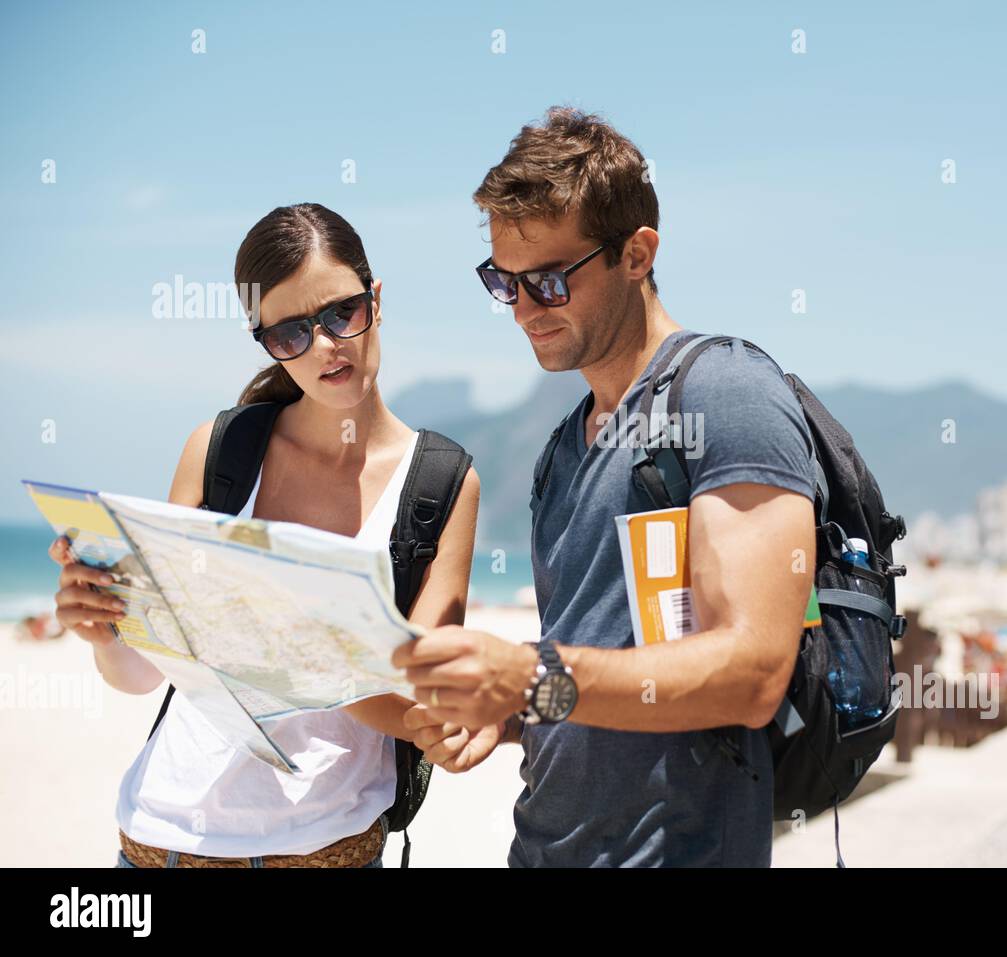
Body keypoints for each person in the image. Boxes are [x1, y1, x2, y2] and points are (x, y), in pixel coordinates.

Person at [396, 108, 818, 867]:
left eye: (551, 280)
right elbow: (595, 684)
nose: (524, 308)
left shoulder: (725, 393)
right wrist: (506, 711)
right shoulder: (560, 451)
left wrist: (529, 674)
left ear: (636, 253)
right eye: (504, 281)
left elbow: (756, 671)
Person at [49, 203, 480, 868]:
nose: (325, 346)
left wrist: (313, 657)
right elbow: (141, 672)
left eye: (342, 312)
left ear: (377, 299)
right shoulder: (220, 451)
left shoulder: (440, 484)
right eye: (289, 334)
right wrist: (100, 627)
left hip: (320, 851)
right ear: (265, 339)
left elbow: (426, 704)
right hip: (156, 840)